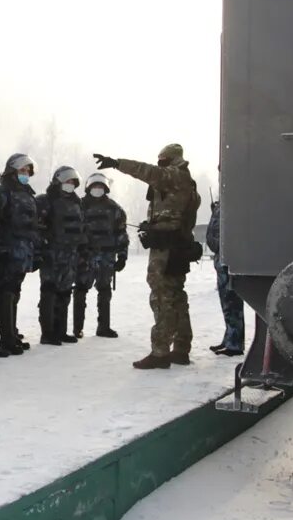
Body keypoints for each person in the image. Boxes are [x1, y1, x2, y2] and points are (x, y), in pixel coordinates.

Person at [93, 143, 201, 369]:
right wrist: (154, 225)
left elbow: (147, 171)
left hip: (166, 248)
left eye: (162, 159)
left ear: (170, 160)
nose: (159, 163)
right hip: (179, 245)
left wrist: (117, 163)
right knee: (176, 296)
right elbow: (176, 215)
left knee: (161, 296)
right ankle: (181, 349)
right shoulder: (188, 183)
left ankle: (160, 352)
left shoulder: (174, 175)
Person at [0, 153, 42, 355]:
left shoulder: (27, 195)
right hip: (5, 253)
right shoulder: (0, 193)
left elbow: (32, 228)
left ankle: (11, 332)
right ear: (12, 171)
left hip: (22, 254)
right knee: (3, 294)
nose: (25, 174)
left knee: (13, 294)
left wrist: (35, 252)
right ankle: (4, 338)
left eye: (27, 171)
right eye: (21, 170)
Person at [34, 165, 85, 346]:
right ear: (57, 181)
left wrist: (81, 251)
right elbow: (37, 228)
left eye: (73, 182)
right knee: (49, 291)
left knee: (64, 292)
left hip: (70, 255)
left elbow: (81, 229)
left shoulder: (77, 203)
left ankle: (60, 331)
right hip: (52, 254)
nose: (70, 185)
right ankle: (47, 333)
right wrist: (41, 248)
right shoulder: (45, 201)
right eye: (67, 181)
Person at [78, 171, 128, 339]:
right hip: (85, 255)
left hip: (107, 257)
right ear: (88, 188)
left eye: (100, 186)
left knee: (105, 291)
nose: (97, 189)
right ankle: (77, 327)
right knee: (80, 290)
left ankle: (104, 327)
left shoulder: (114, 209)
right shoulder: (79, 206)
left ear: (105, 188)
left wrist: (122, 256)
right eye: (95, 186)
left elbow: (121, 234)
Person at [207, 199, 245, 356]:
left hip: (228, 260)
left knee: (232, 303)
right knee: (227, 304)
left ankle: (235, 343)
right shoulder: (222, 203)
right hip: (221, 259)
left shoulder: (233, 201)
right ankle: (229, 338)